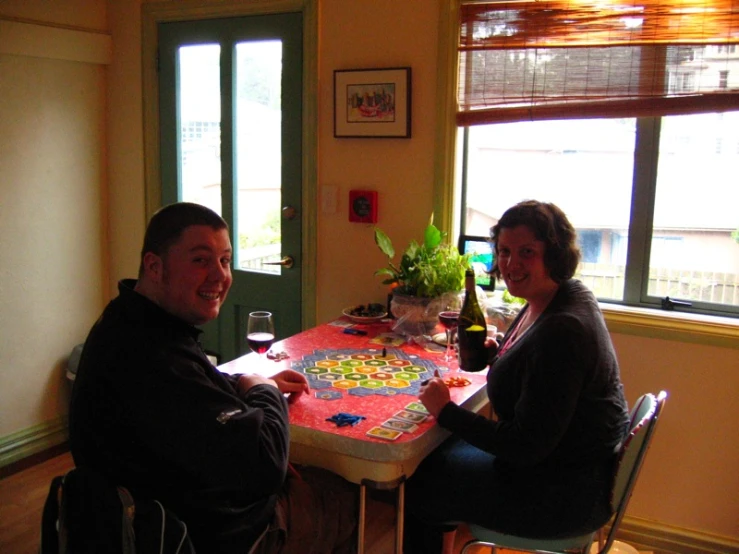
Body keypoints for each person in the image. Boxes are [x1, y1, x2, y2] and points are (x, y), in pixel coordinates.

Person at [69, 202, 357, 554]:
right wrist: (263, 389)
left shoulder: (129, 321)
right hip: (208, 536)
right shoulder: (156, 356)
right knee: (342, 496)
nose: (220, 276)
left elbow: (188, 394)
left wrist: (238, 382)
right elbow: (266, 464)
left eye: (224, 259)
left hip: (147, 517)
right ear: (154, 266)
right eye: (200, 260)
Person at [403, 200, 630, 553]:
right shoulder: (560, 295)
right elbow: (541, 372)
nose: (511, 264)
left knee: (421, 480)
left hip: (560, 497)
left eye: (527, 252)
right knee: (440, 455)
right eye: (504, 252)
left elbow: (524, 446)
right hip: (574, 474)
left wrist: (445, 411)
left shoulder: (564, 330)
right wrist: (503, 353)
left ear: (554, 254)